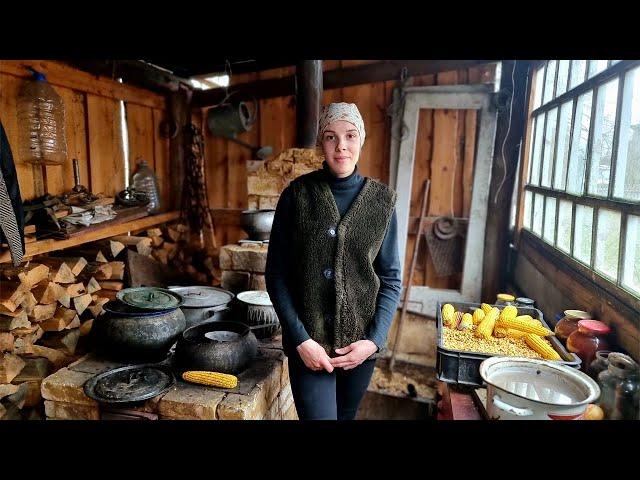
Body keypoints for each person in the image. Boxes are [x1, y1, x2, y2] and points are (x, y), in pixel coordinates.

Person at [265, 102, 402, 420]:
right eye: (331, 137)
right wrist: (300, 340)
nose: (341, 146)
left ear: (362, 140)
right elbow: (276, 275)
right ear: (321, 143)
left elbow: (391, 278)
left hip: (360, 349)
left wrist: (373, 341)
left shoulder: (382, 202)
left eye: (350, 135)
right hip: (309, 348)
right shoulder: (297, 195)